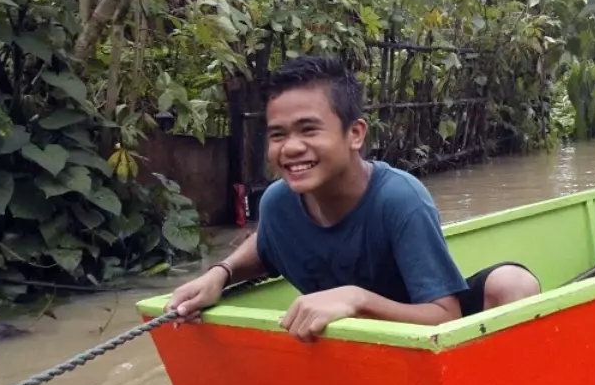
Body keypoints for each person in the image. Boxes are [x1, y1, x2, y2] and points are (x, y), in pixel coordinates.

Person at [165, 55, 541, 341]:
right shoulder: (278, 203)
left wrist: (357, 299)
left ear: (355, 134)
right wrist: (221, 273)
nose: (291, 147)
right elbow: (266, 247)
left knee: (512, 284)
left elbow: (447, 317)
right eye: (277, 135)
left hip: (418, 325)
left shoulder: (401, 200)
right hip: (360, 348)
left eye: (309, 129)